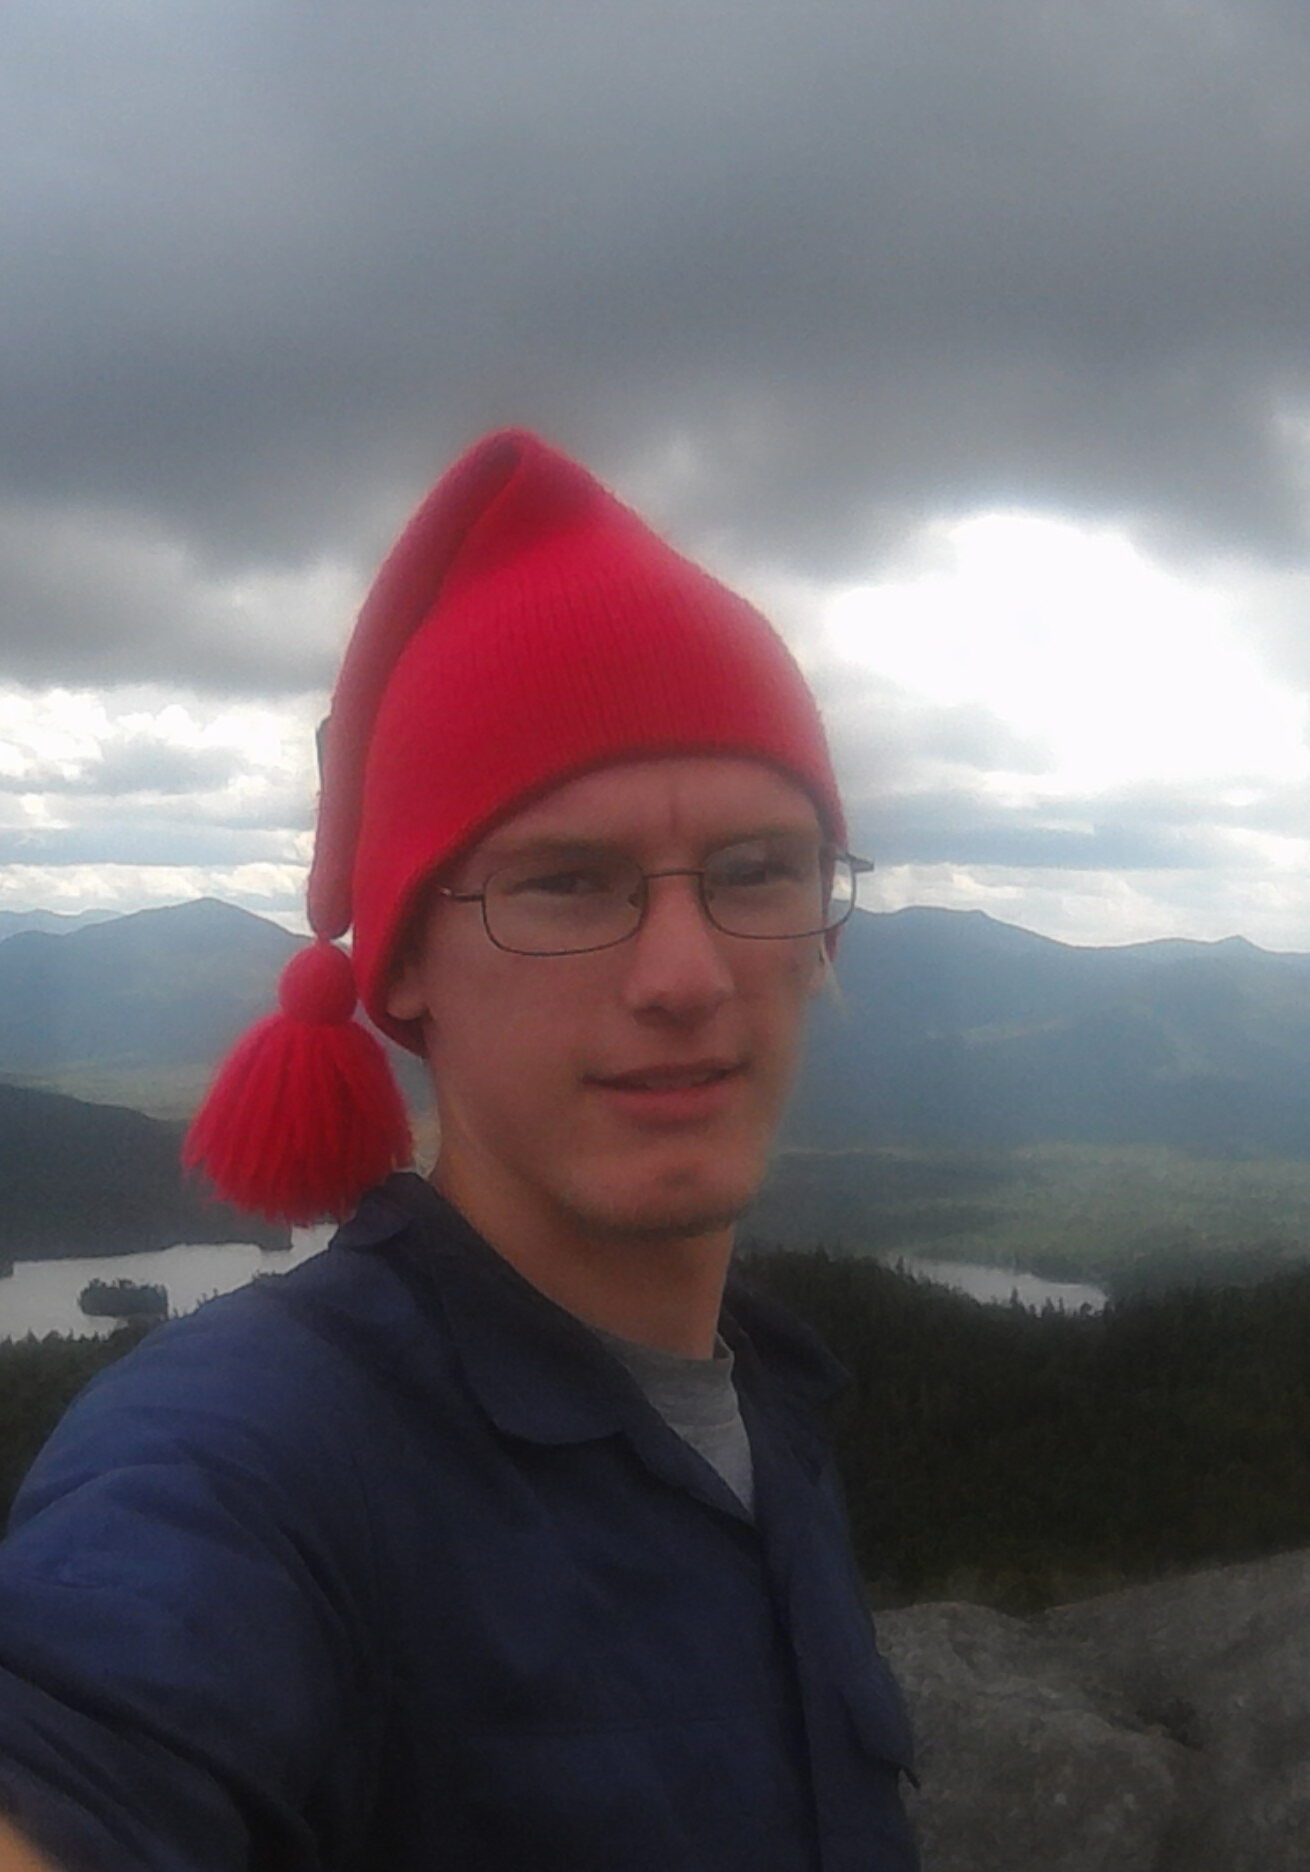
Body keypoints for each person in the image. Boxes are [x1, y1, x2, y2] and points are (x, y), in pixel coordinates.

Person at [0, 430, 918, 1870]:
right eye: (566, 882)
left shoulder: (771, 1414)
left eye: (756, 870)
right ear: (405, 965)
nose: (685, 972)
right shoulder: (250, 1458)